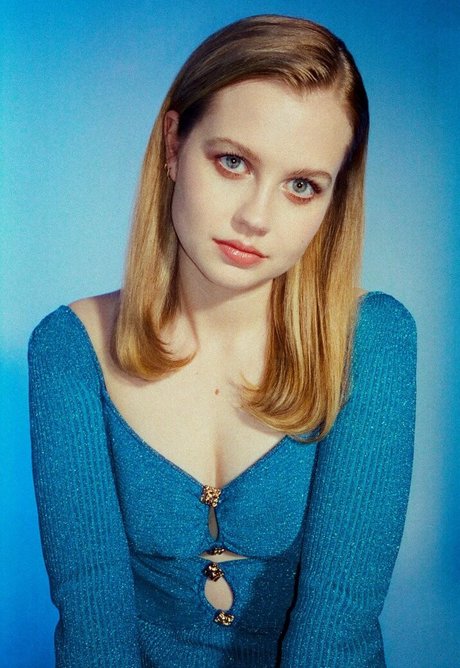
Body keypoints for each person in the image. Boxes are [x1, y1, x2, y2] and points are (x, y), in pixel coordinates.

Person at [28, 14, 417, 668]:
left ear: (332, 200)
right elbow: (93, 627)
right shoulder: (70, 349)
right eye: (233, 162)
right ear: (173, 145)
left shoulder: (373, 340)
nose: (256, 217)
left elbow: (338, 627)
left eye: (302, 185)